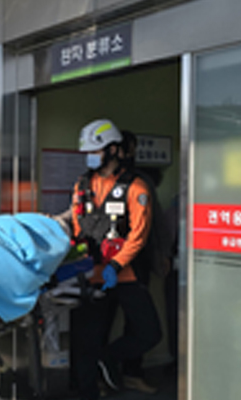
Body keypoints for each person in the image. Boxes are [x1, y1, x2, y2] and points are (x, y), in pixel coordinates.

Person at [69, 119, 162, 400]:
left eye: (95, 151)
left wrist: (116, 264)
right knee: (86, 339)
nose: (90, 157)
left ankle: (108, 357)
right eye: (87, 152)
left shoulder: (136, 187)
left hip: (124, 274)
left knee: (149, 332)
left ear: (112, 150)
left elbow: (138, 235)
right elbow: (78, 224)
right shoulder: (82, 185)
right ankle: (88, 392)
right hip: (91, 275)